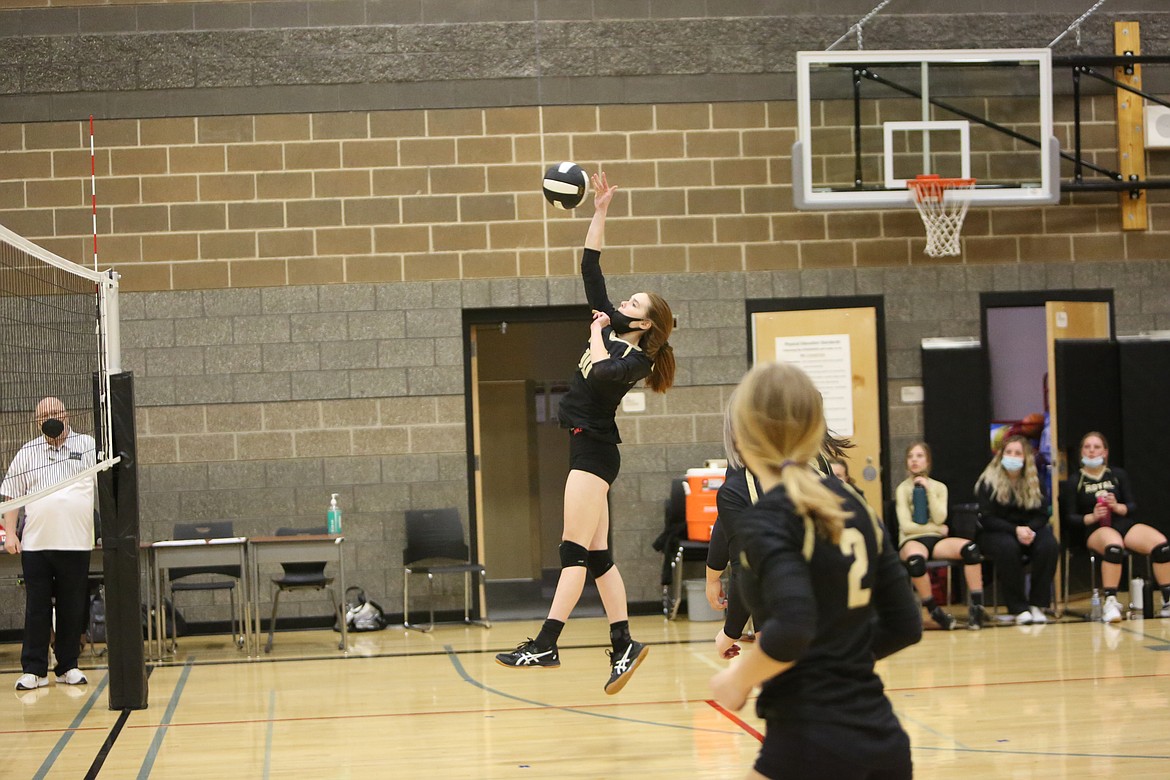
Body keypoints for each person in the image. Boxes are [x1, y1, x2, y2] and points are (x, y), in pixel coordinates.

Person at [496, 171, 675, 695]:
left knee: (572, 550)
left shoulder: (636, 357)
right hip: (587, 447)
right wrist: (599, 210)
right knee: (597, 556)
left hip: (595, 455)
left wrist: (598, 332)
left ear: (644, 324)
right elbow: (589, 265)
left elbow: (599, 376)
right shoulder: (617, 331)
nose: (623, 303)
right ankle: (623, 644)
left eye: (633, 304)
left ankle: (547, 642)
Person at [709, 362, 922, 780]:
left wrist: (739, 680)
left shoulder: (766, 517)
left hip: (811, 743)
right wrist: (840, 660)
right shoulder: (854, 503)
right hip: (883, 742)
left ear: (740, 434)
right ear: (815, 430)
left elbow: (792, 626)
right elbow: (905, 624)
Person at [3, 397, 97, 691]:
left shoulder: (88, 446)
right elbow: (11, 496)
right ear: (36, 421)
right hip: (36, 544)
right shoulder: (28, 452)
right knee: (37, 607)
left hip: (76, 542)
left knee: (72, 606)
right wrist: (11, 534)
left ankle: (68, 665)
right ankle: (34, 669)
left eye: (56, 412)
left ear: (67, 415)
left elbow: (106, 487)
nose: (51, 417)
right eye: (45, 414)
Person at [1066, 431, 1170, 622]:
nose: (1091, 451)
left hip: (1122, 523)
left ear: (1105, 452)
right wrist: (1092, 516)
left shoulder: (1117, 475)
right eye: (1087, 447)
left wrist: (1116, 506)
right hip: (1095, 529)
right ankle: (1111, 601)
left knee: (1161, 545)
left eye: (1096, 447)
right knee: (1114, 546)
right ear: (1081, 452)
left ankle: (1167, 599)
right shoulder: (1075, 480)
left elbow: (1131, 506)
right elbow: (1070, 517)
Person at [895, 442, 986, 630]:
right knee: (915, 561)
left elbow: (940, 516)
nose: (914, 460)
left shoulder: (939, 487)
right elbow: (906, 526)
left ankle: (977, 607)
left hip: (935, 541)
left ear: (927, 462)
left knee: (971, 549)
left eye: (919, 456)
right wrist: (936, 528)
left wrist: (928, 490)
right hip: (911, 541)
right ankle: (934, 610)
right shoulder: (902, 489)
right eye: (911, 456)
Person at [975, 435, 1057, 625]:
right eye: (1009, 452)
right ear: (1001, 455)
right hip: (996, 531)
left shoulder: (1034, 480)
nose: (1012, 456)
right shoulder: (988, 481)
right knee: (1008, 547)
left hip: (1029, 529)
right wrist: (1015, 530)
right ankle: (1018, 608)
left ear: (1026, 457)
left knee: (1049, 545)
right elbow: (987, 518)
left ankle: (1038, 604)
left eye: (1017, 453)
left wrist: (1028, 530)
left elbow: (1043, 514)